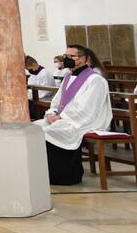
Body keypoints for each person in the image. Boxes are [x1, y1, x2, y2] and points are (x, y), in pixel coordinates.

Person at [35, 44, 113, 185]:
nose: (67, 59)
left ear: (84, 59)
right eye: (66, 56)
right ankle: (47, 174)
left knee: (52, 131)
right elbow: (57, 101)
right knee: (35, 127)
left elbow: (88, 108)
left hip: (86, 120)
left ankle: (67, 175)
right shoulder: (68, 77)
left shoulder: (95, 80)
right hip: (66, 117)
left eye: (72, 56)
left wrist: (61, 117)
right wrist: (52, 113)